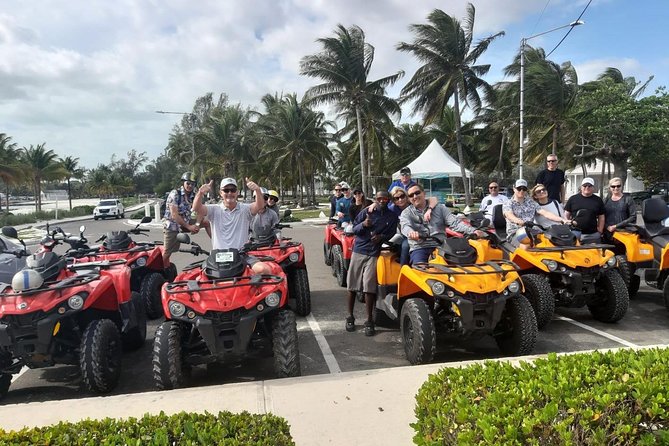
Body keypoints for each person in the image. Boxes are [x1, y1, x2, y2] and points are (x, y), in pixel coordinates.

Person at [345, 190, 399, 336]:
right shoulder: (365, 212)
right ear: (375, 199)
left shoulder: (392, 216)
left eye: (385, 199)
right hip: (359, 250)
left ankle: (369, 321)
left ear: (389, 200)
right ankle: (350, 316)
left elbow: (392, 232)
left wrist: (381, 237)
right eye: (379, 198)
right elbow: (354, 229)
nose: (382, 201)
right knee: (352, 285)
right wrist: (364, 224)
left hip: (374, 253)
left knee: (369, 288)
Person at [193, 177, 272, 274]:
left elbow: (259, 205)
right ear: (221, 193)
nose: (229, 193)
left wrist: (257, 190)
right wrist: (200, 193)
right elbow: (196, 208)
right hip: (218, 258)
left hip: (241, 255)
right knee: (198, 278)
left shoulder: (245, 209)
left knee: (264, 269)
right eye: (226, 190)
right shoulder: (214, 210)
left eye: (233, 190)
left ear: (237, 192)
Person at [400, 184, 486, 264]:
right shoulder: (406, 213)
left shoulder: (440, 208)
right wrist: (411, 233)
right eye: (411, 195)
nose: (414, 196)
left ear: (424, 193)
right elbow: (405, 226)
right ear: (409, 199)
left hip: (441, 246)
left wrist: (473, 231)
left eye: (417, 193)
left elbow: (455, 223)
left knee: (458, 268)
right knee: (420, 270)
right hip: (419, 247)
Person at [503, 179, 567, 248]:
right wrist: (518, 221)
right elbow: (509, 215)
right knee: (527, 247)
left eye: (524, 189)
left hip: (532, 231)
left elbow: (545, 213)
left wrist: (563, 220)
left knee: (550, 242)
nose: (521, 191)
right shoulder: (508, 203)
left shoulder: (531, 203)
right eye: (519, 188)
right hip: (516, 233)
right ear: (514, 188)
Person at [162, 172, 201, 266]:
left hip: (184, 223)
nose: (190, 186)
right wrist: (189, 227)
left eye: (192, 184)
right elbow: (174, 215)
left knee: (207, 223)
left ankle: (218, 247)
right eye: (188, 183)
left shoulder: (193, 195)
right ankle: (159, 271)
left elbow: (199, 211)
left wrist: (197, 225)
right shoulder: (175, 194)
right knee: (167, 253)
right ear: (183, 183)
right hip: (172, 226)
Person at [565, 177, 606, 244]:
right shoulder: (573, 199)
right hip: (575, 233)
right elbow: (566, 214)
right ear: (581, 187)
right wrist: (568, 227)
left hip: (593, 235)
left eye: (590, 186)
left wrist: (600, 229)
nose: (587, 187)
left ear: (593, 188)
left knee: (594, 253)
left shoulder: (598, 200)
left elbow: (601, 216)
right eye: (585, 185)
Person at [603, 177, 637, 243]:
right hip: (608, 234)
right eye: (613, 186)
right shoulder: (606, 200)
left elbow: (633, 217)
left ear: (621, 187)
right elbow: (601, 216)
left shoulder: (628, 199)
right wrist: (607, 227)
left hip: (623, 233)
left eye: (618, 186)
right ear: (610, 188)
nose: (616, 188)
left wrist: (616, 226)